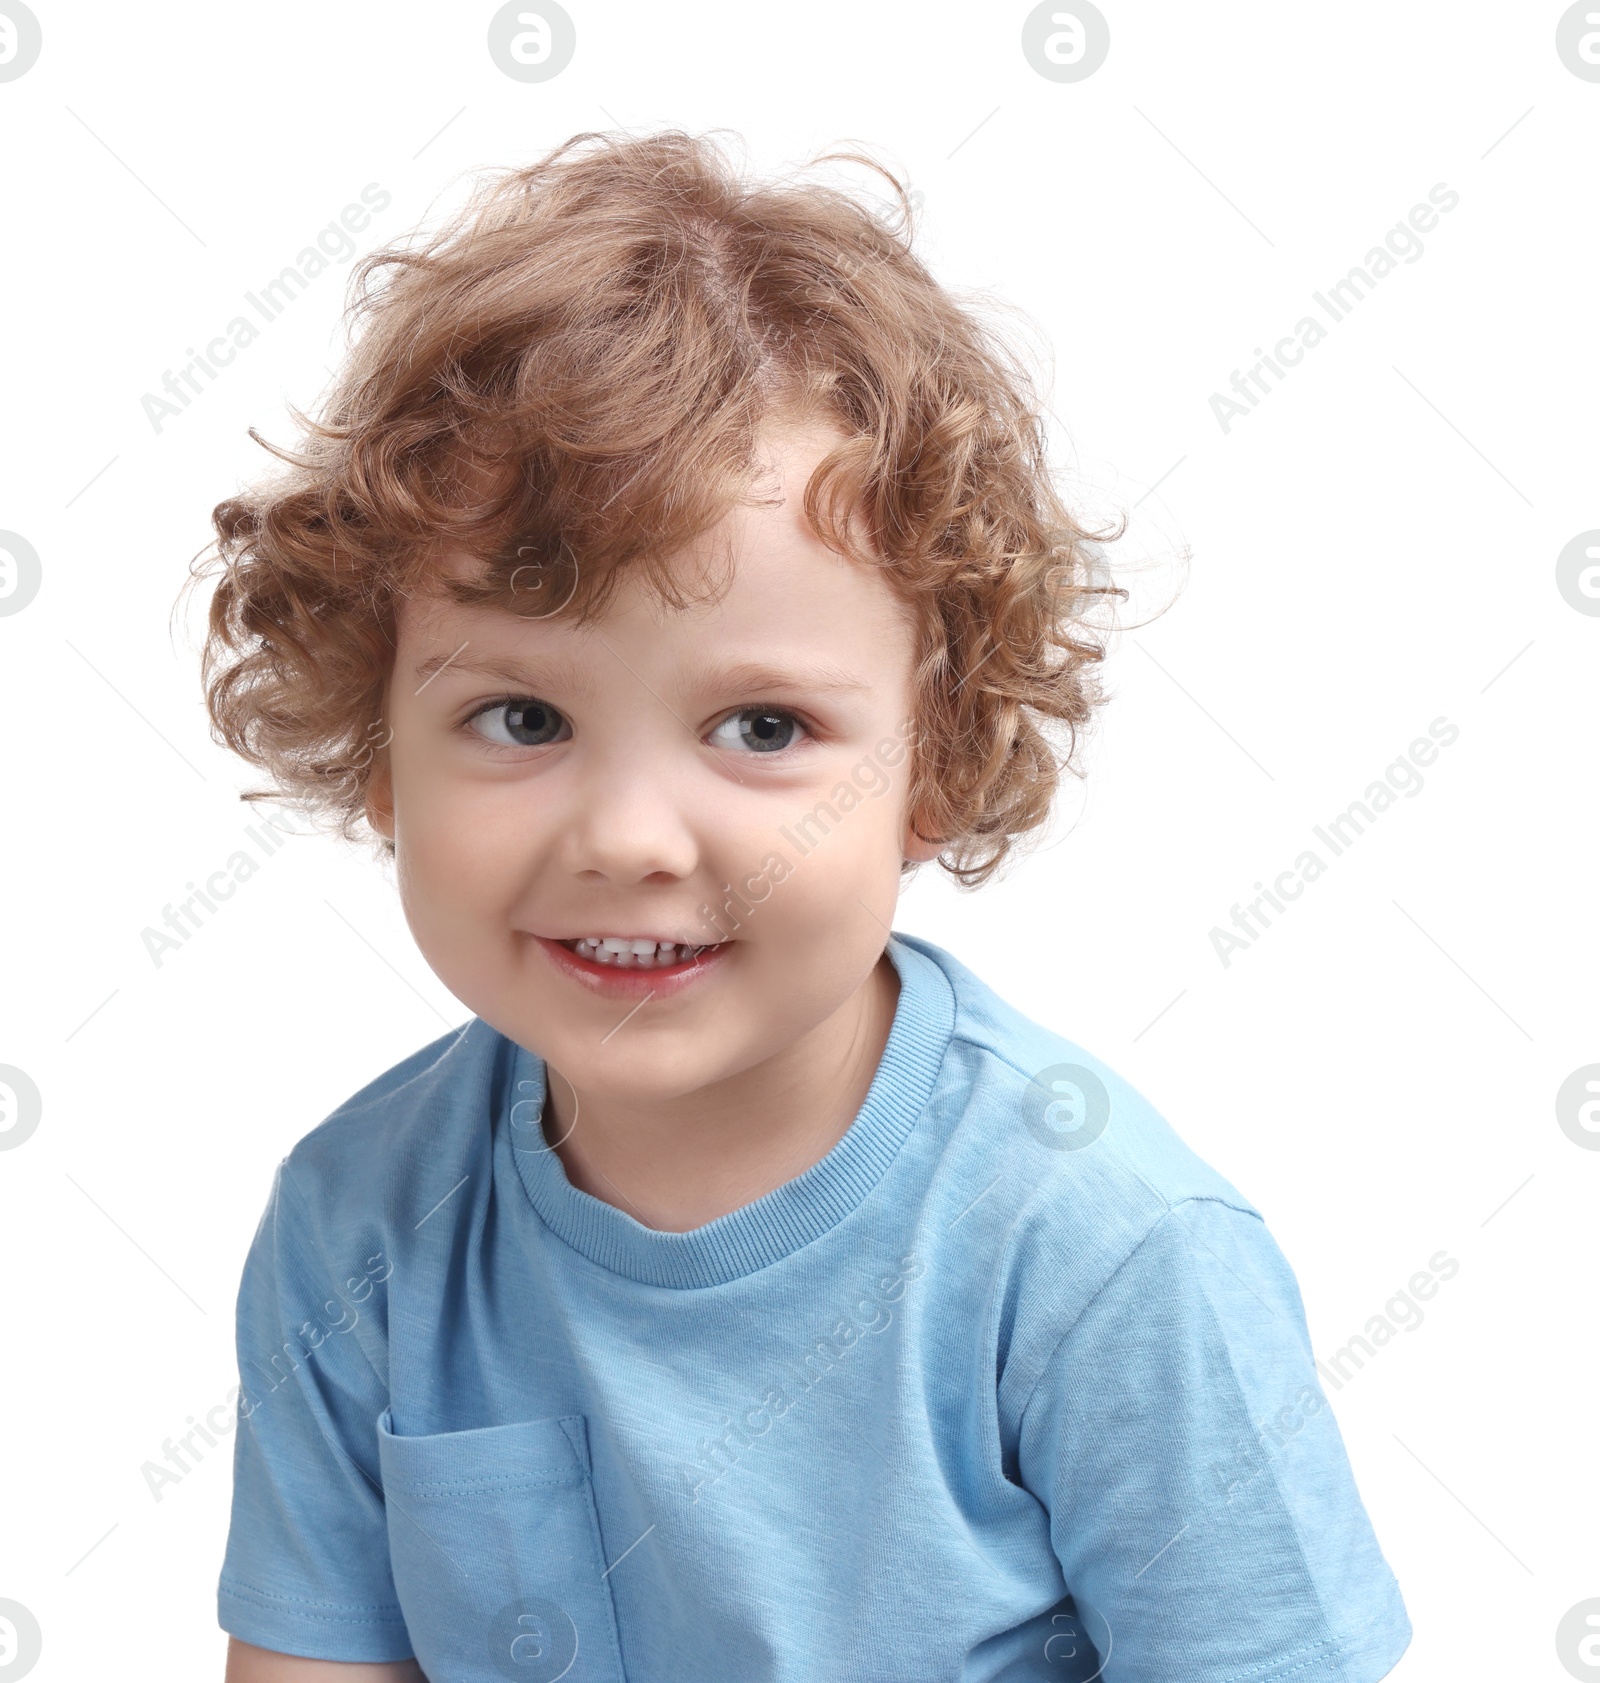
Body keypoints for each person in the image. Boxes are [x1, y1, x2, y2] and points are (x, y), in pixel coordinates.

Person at [196, 128, 1411, 1682]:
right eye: (520, 718)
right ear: (380, 755)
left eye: (762, 729)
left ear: (939, 761)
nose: (632, 837)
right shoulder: (361, 1224)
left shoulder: (1109, 1256)